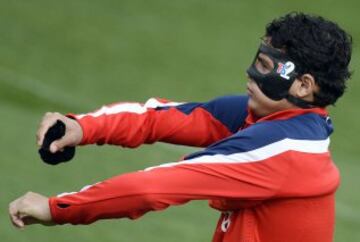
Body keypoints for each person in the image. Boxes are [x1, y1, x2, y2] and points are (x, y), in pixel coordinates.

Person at [9, 12, 352, 242]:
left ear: (303, 86)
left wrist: (55, 208)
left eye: (265, 66)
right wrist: (82, 127)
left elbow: (152, 188)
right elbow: (161, 117)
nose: (250, 73)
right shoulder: (271, 119)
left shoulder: (280, 150)